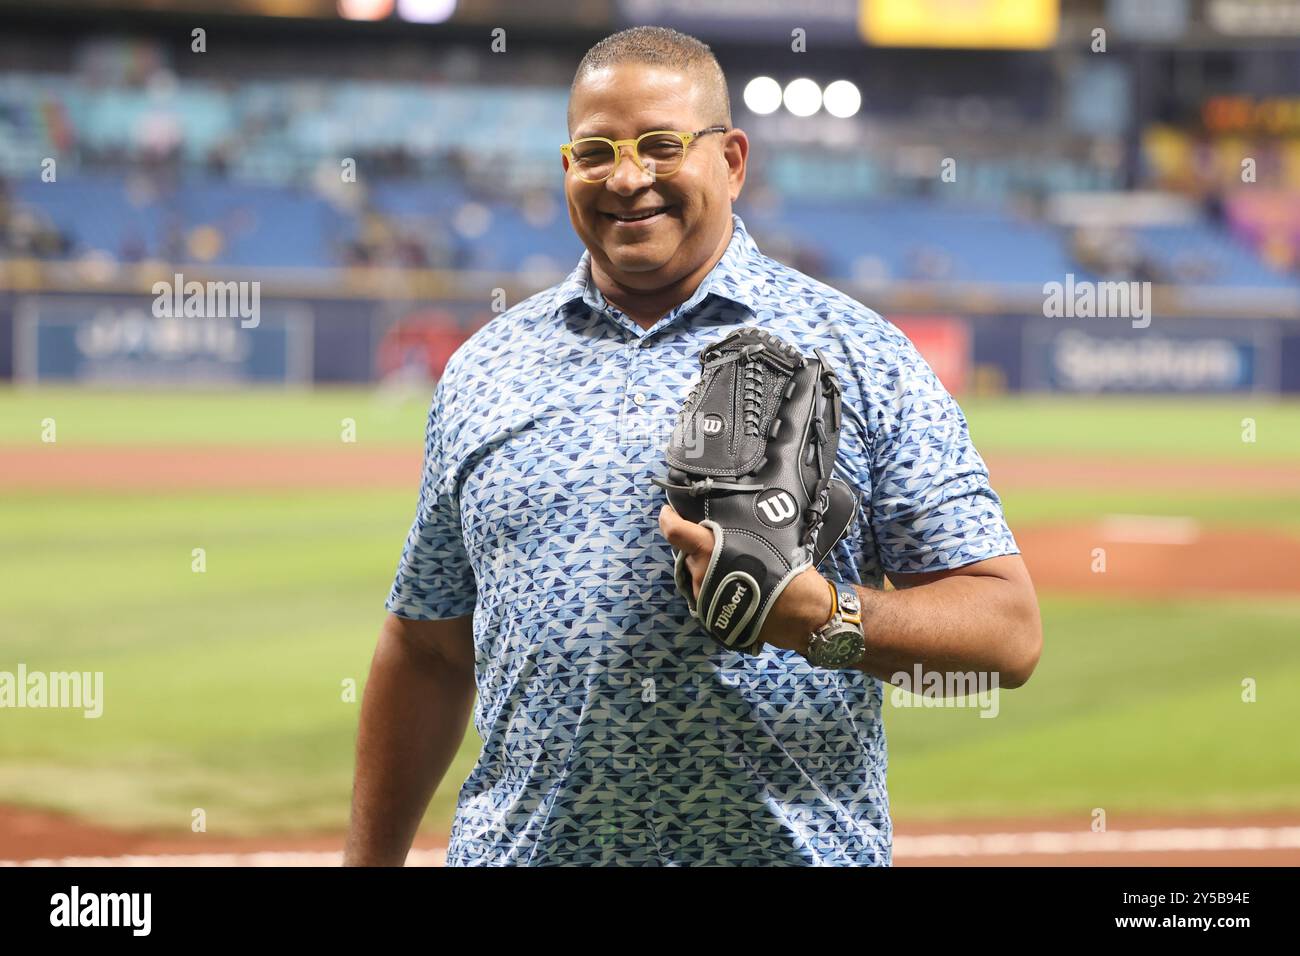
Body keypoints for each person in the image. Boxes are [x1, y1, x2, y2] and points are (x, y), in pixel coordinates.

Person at [344, 26, 1041, 867]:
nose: (626, 178)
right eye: (594, 152)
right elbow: (427, 647)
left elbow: (1006, 634)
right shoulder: (484, 369)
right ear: (566, 167)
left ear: (732, 160)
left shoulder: (856, 352)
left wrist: (823, 616)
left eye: (661, 146)